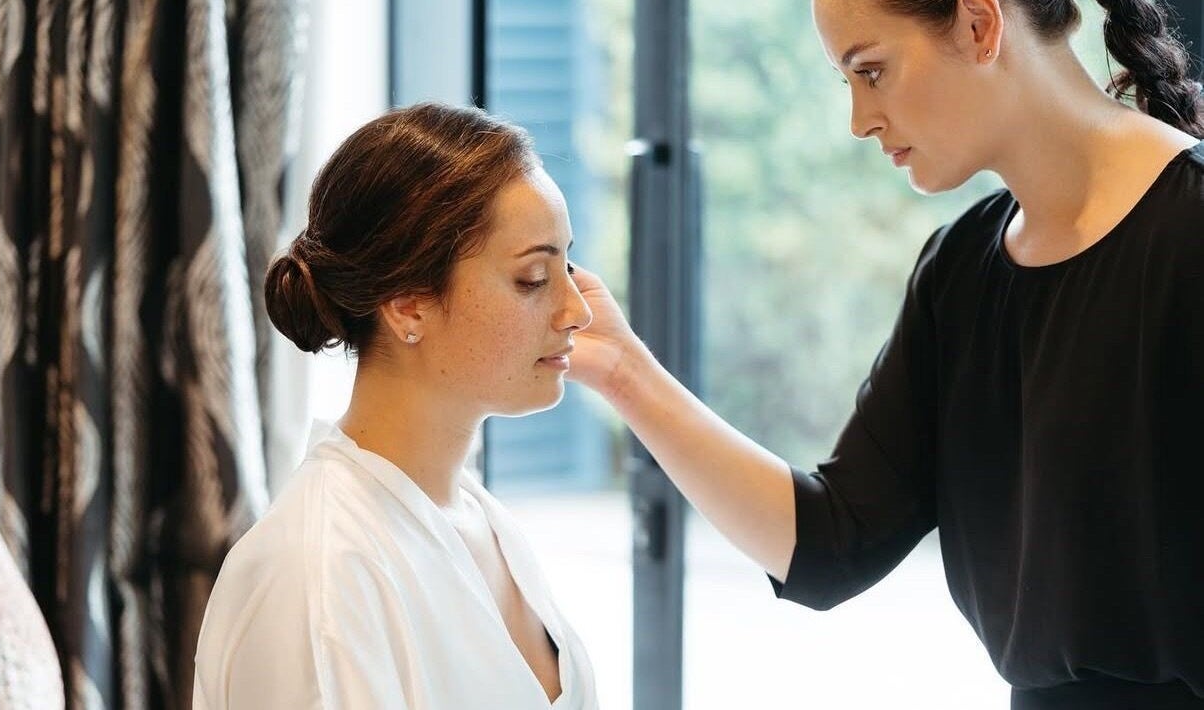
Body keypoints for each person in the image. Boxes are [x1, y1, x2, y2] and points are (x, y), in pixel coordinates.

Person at [565, 0, 1204, 707]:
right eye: (849, 83)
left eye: (872, 71)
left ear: (979, 25)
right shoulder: (959, 270)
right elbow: (828, 543)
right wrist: (623, 371)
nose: (859, 120)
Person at [192, 103, 598, 709]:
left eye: (566, 265)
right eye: (534, 279)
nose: (579, 311)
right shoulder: (319, 576)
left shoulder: (483, 522)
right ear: (408, 306)